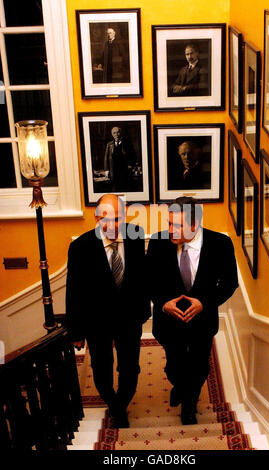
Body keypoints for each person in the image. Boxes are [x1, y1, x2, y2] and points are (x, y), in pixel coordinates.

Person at [146, 197, 238, 425]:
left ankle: (189, 403)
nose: (169, 230)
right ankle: (180, 386)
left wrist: (204, 302)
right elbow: (148, 281)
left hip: (202, 322)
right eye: (168, 223)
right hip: (168, 321)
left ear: (195, 225)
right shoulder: (158, 242)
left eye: (176, 225)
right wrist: (163, 303)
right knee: (174, 364)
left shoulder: (221, 244)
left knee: (199, 364)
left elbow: (230, 283)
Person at [66, 194, 150, 428]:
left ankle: (121, 403)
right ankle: (115, 405)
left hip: (129, 318)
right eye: (106, 219)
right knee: (101, 369)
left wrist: (144, 310)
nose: (112, 225)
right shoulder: (80, 247)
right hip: (97, 321)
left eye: (118, 219)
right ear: (96, 218)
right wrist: (75, 332)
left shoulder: (135, 236)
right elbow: (74, 290)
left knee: (130, 367)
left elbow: (141, 277)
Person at [103, 126, 137, 192]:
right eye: (114, 133)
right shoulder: (109, 144)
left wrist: (130, 165)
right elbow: (106, 158)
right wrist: (106, 169)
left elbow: (134, 156)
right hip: (113, 169)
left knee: (125, 186)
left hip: (124, 169)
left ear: (121, 133)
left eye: (118, 132)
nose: (116, 134)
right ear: (112, 134)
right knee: (114, 187)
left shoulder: (127, 143)